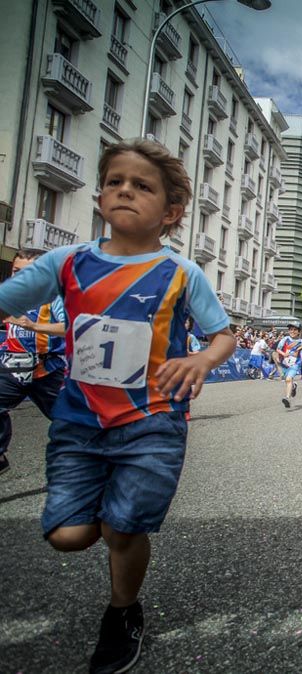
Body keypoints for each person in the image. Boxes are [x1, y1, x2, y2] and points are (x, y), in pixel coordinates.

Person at [0, 138, 236, 672]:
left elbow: (223, 336)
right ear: (101, 196)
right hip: (79, 422)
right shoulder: (66, 263)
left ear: (170, 213)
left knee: (122, 528)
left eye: (142, 186)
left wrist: (200, 361)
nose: (124, 190)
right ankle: (105, 510)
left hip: (153, 421)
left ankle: (123, 612)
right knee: (68, 535)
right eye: (114, 182)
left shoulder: (181, 273)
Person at [0, 249, 67, 477]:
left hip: (48, 372)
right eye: (16, 272)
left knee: (72, 422)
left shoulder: (56, 297)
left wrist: (34, 326)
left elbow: (73, 327)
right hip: (12, 367)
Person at [274, 324, 302, 408]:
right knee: (286, 379)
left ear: (299, 332)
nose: (292, 331)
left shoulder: (301, 342)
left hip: (295, 364)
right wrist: (282, 354)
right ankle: (294, 386)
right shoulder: (285, 339)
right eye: (291, 329)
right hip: (284, 363)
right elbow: (278, 349)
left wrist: (297, 352)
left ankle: (287, 398)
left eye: (295, 330)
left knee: (288, 379)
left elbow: (300, 350)